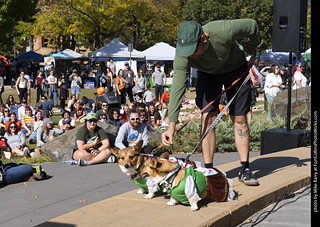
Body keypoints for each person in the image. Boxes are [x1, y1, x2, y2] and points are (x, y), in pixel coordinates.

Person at [162, 19, 262, 186]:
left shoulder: (224, 30)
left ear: (204, 38)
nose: (191, 55)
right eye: (187, 52)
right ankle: (209, 172)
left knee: (239, 119)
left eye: (194, 51)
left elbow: (253, 25)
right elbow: (178, 87)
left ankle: (245, 168)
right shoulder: (183, 54)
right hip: (207, 75)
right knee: (207, 118)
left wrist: (256, 54)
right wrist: (171, 125)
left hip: (235, 69)